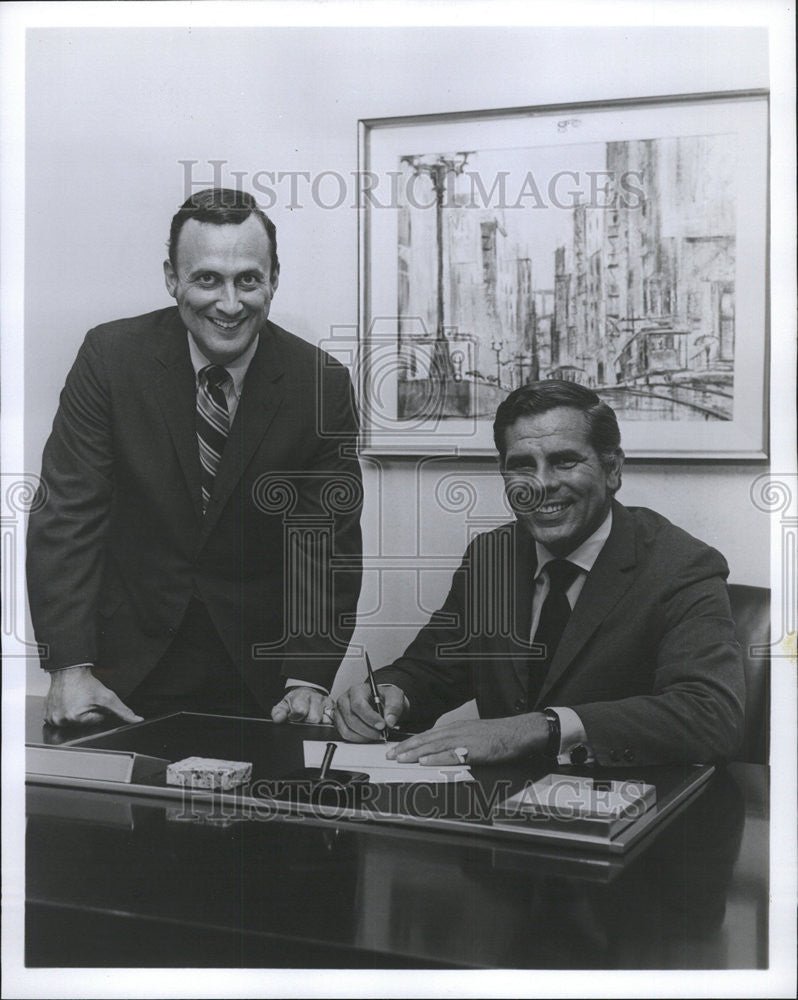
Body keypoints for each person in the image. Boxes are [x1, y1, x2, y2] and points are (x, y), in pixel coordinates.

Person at [28, 188, 362, 728]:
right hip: (117, 676)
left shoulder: (320, 383)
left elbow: (322, 540)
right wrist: (68, 665)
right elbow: (68, 514)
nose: (229, 304)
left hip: (260, 683)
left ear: (273, 279)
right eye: (207, 278)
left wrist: (308, 676)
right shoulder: (109, 359)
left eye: (248, 279)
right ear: (171, 278)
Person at [335, 381, 744, 767]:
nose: (542, 484)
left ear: (612, 469)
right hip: (501, 816)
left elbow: (710, 714)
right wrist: (389, 694)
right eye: (522, 465)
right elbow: (433, 669)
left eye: (565, 461)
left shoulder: (681, 566)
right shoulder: (491, 557)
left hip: (631, 820)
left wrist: (541, 727)